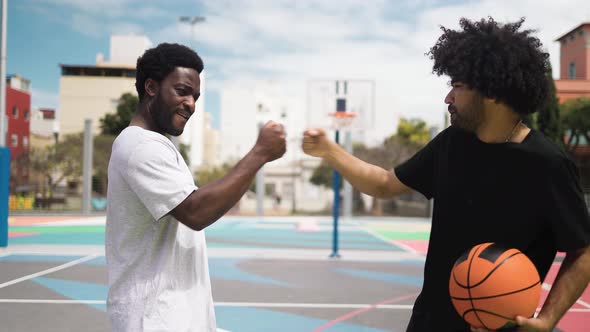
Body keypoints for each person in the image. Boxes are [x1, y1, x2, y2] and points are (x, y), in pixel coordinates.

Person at [302, 18, 590, 332]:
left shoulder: (547, 163)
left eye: (457, 86)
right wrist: (330, 151)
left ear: (491, 91)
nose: (448, 98)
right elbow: (385, 184)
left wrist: (547, 319)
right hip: (429, 323)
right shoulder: (451, 144)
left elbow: (583, 251)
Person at [105, 43, 286, 331]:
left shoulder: (157, 146)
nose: (191, 103)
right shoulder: (138, 146)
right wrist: (260, 153)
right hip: (154, 320)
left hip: (176, 318)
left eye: (195, 96)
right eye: (181, 91)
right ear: (151, 87)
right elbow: (196, 212)